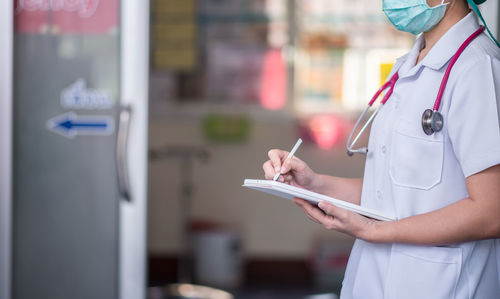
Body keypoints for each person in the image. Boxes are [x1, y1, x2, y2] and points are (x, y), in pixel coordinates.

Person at [262, 0, 500, 298]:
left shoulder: (477, 67)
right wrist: (314, 183)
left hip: (441, 285)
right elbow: (391, 191)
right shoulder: (406, 65)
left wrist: (373, 231)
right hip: (374, 279)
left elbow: (492, 212)